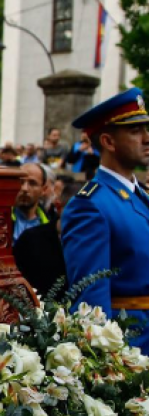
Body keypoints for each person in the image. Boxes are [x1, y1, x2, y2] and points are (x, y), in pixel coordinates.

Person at [62, 87, 149, 351]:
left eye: (146, 129)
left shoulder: (139, 195)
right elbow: (92, 303)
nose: (147, 138)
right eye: (135, 131)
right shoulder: (90, 206)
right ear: (109, 142)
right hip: (134, 350)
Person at [12, 163, 51, 242]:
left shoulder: (49, 225)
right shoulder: (0, 218)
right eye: (21, 182)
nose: (25, 188)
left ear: (43, 190)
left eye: (32, 183)